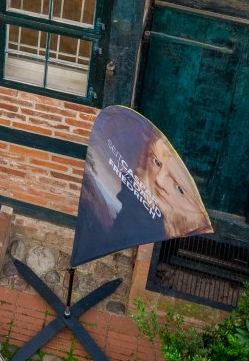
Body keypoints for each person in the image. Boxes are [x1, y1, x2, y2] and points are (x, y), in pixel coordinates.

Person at [70, 106, 210, 268]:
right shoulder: (127, 194)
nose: (160, 180)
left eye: (179, 188)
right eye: (156, 163)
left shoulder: (151, 222)